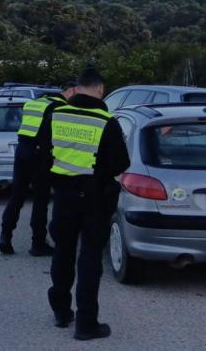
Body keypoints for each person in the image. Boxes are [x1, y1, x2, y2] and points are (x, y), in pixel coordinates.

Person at [45, 67, 129, 340]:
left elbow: (43, 151)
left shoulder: (55, 113)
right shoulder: (107, 121)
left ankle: (60, 311)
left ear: (78, 87)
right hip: (94, 198)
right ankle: (86, 324)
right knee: (90, 259)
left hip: (63, 195)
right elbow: (120, 163)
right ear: (100, 89)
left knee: (63, 252)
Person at [0, 81, 78, 256]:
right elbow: (55, 136)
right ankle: (38, 243)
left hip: (22, 152)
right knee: (40, 200)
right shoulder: (60, 107)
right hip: (40, 155)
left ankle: (5, 237)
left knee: (17, 196)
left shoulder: (34, 102)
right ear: (72, 90)